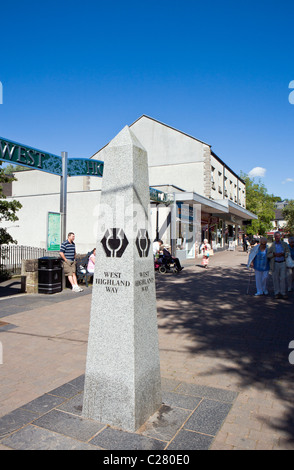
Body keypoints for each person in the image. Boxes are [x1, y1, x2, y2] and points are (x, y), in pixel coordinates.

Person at [267, 231, 290, 299]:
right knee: (275, 279)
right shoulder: (271, 245)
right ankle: (276, 292)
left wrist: (283, 254)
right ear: (274, 237)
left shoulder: (284, 244)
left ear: (280, 236)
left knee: (283, 278)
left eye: (278, 236)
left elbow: (288, 252)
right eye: (276, 236)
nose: (277, 237)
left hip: (283, 263)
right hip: (275, 263)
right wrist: (274, 254)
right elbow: (268, 255)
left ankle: (283, 292)